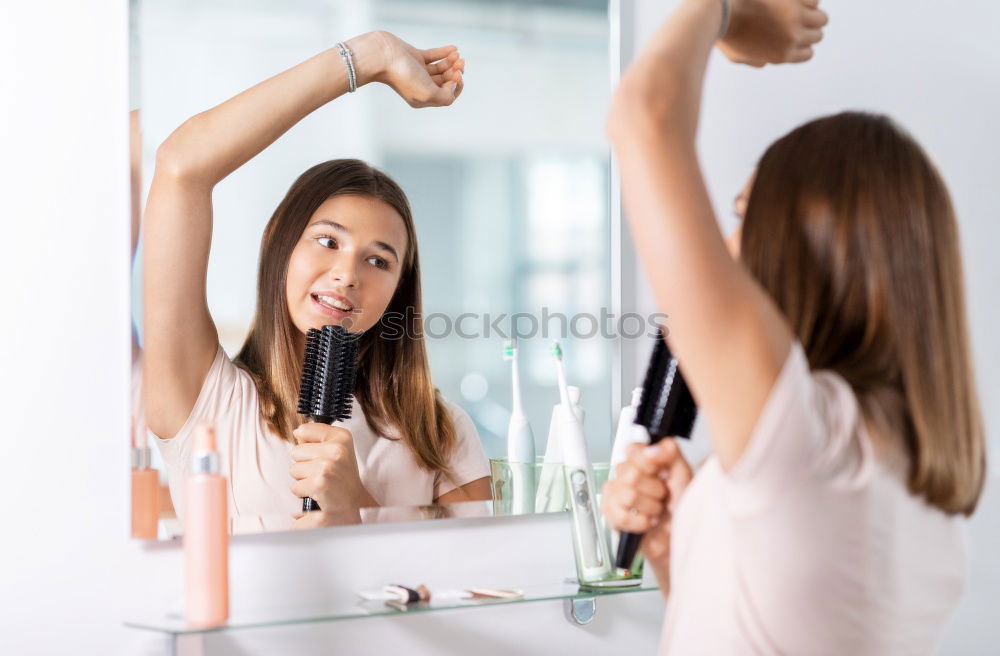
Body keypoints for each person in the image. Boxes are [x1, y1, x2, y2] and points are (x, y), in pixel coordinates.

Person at [600, 0, 985, 653]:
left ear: (808, 249)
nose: (724, 242)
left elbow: (644, 116)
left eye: (746, 212)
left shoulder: (812, 446)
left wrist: (725, 9)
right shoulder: (913, 484)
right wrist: (685, 543)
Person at [141, 31, 492, 526]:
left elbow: (483, 586)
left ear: (398, 291)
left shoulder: (441, 433)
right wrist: (370, 58)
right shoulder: (206, 402)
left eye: (379, 261)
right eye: (328, 241)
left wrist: (356, 509)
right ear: (277, 247)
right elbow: (182, 163)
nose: (347, 275)